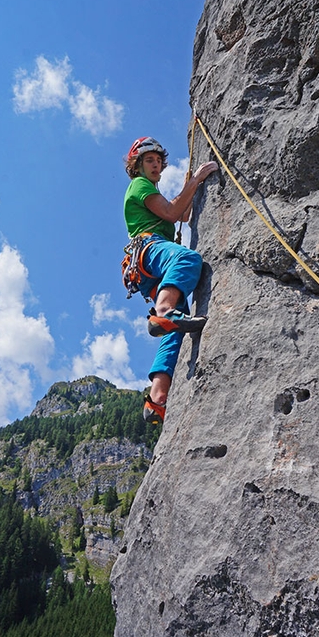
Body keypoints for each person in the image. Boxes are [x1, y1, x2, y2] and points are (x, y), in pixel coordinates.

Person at [123, 136, 218, 424]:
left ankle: (157, 398)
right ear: (137, 165)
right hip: (149, 250)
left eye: (157, 161)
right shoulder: (139, 186)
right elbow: (173, 212)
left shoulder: (150, 189)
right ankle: (163, 310)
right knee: (188, 259)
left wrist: (191, 186)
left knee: (176, 326)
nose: (155, 165)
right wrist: (198, 178)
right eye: (148, 160)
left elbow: (183, 213)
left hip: (147, 269)